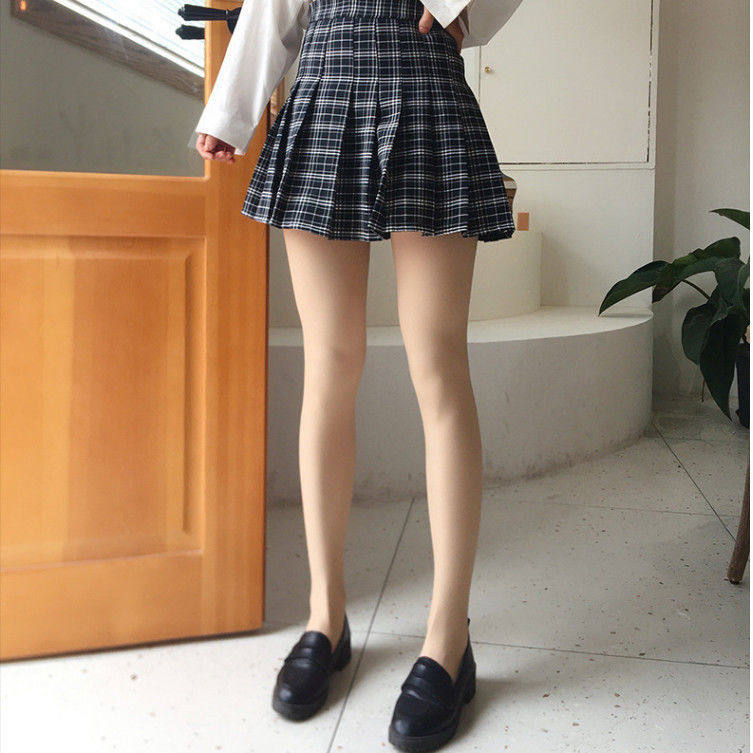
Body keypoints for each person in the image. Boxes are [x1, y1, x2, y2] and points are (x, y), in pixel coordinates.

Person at [191, 0, 522, 749]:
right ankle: (326, 619)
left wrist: (463, 7)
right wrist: (233, 108)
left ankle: (448, 640)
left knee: (438, 367)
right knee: (330, 365)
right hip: (323, 94)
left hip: (425, 88)